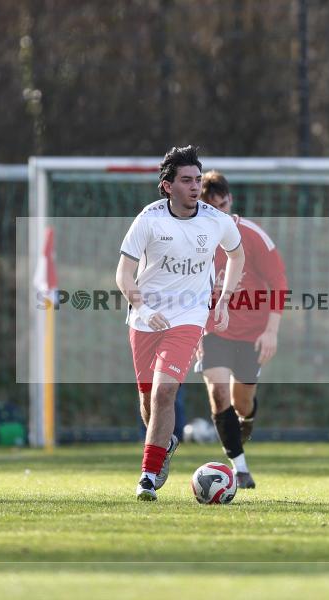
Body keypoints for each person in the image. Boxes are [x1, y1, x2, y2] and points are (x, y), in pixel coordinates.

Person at [116, 146, 245, 501]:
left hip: (189, 317)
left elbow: (237, 254)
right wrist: (140, 309)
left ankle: (146, 476)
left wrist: (224, 298)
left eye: (197, 180)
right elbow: (123, 273)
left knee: (164, 392)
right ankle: (166, 443)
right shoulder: (148, 219)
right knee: (148, 405)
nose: (194, 187)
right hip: (145, 319)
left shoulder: (215, 220)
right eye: (186, 180)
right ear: (167, 185)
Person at [197, 171, 288, 489]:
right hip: (214, 332)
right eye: (213, 208)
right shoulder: (195, 238)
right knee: (218, 393)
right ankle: (240, 467)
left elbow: (278, 283)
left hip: (252, 332)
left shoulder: (252, 235)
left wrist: (272, 331)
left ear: (230, 201)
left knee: (242, 402)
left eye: (224, 205)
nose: (220, 213)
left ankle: (244, 423)